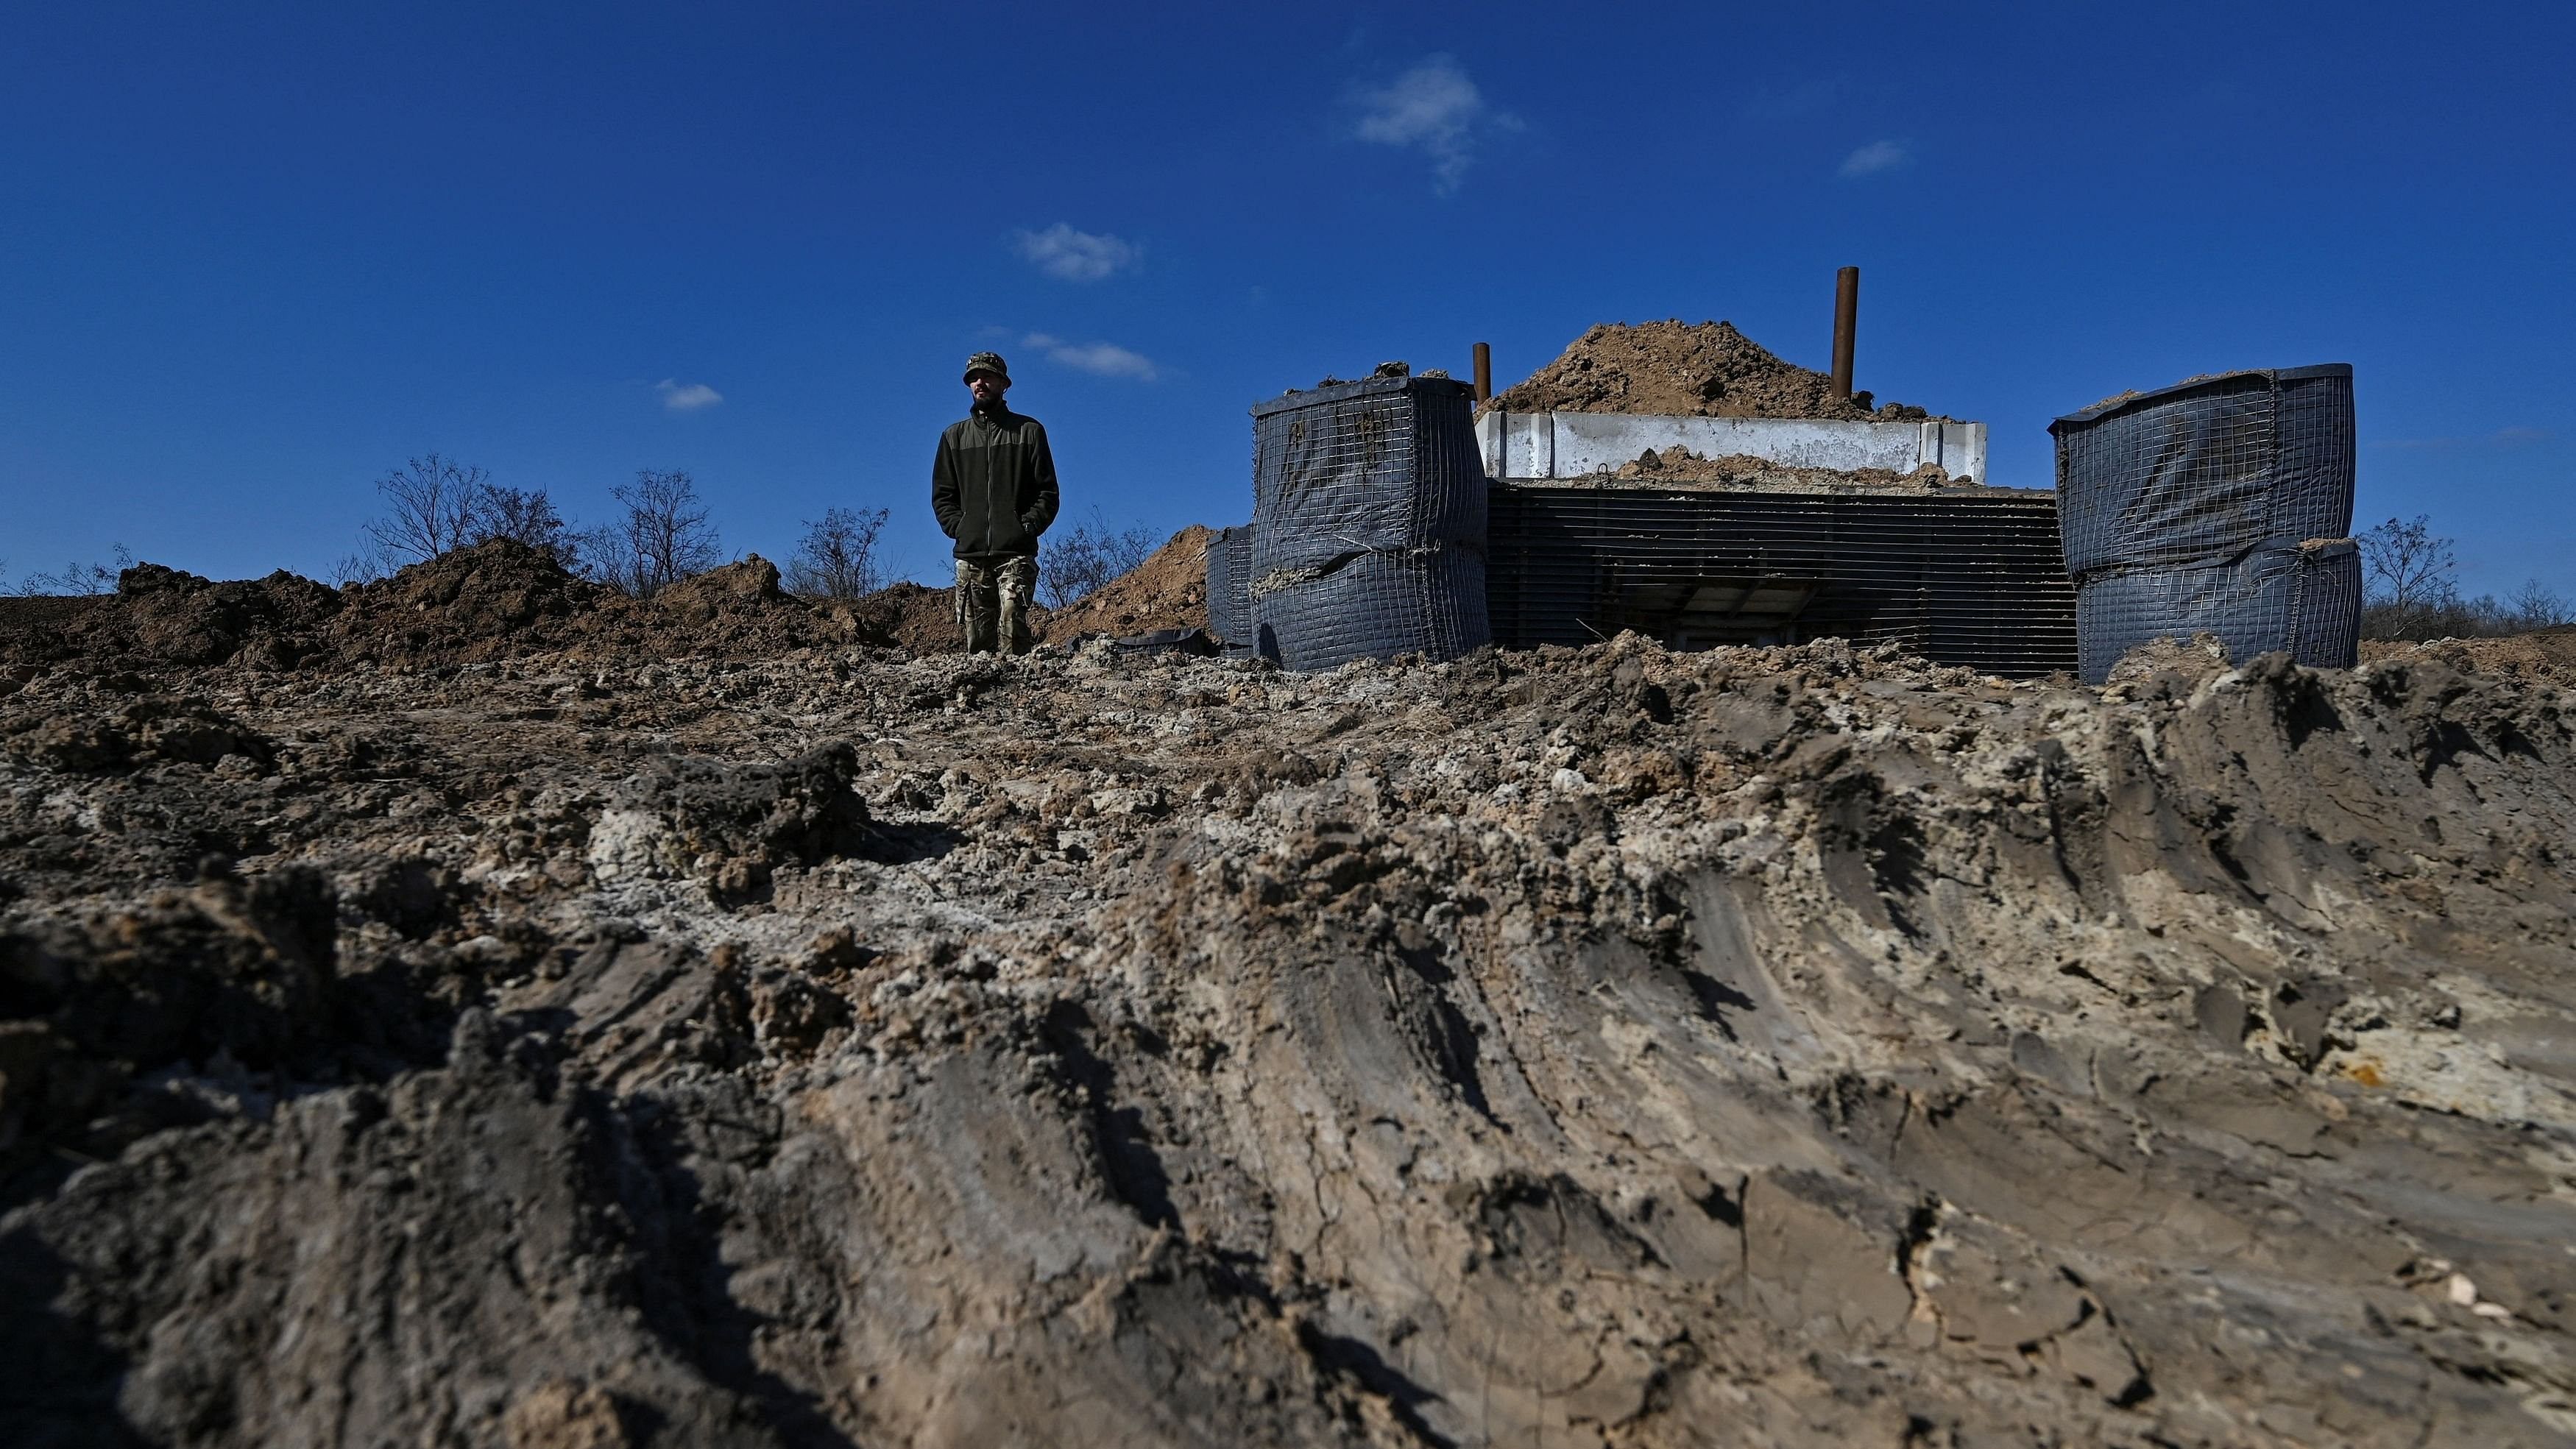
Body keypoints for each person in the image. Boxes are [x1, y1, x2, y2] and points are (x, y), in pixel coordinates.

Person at [931, 352, 1059, 653]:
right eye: (974, 378)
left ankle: (1023, 699)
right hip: (971, 554)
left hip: (1015, 551)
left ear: (1004, 384)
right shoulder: (953, 437)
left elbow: (1048, 492)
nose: (980, 383)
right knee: (978, 646)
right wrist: (960, 527)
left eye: (987, 377)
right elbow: (942, 495)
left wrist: (1027, 525)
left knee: (1013, 627)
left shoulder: (1029, 432)